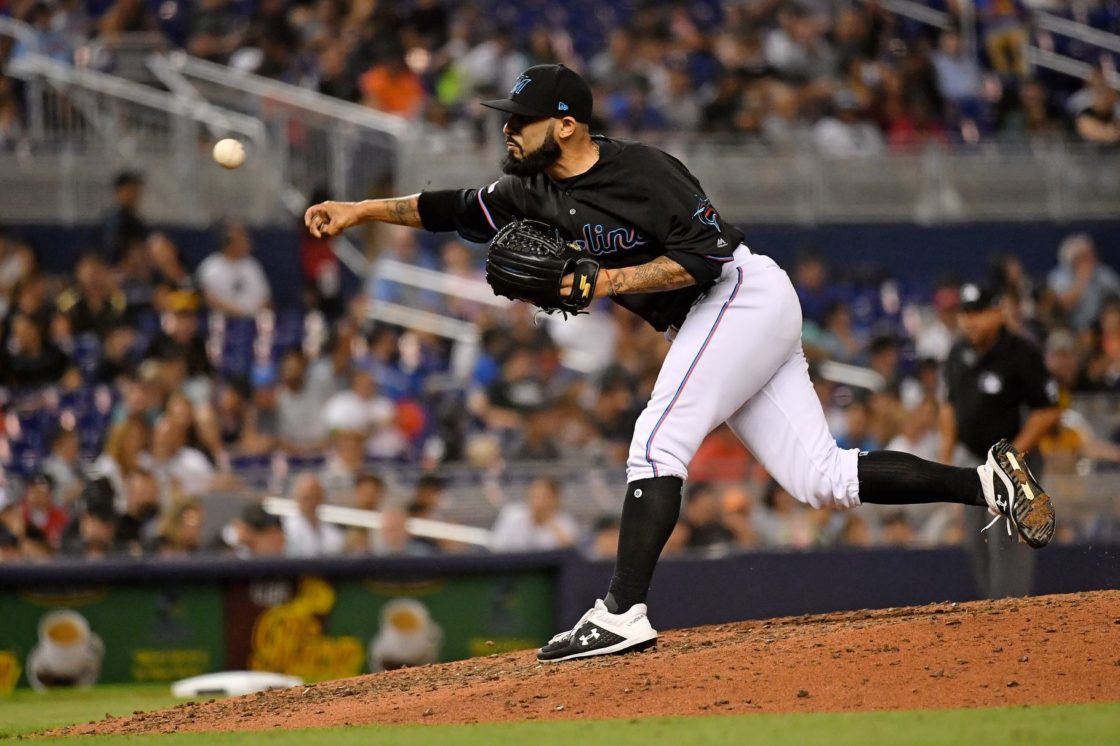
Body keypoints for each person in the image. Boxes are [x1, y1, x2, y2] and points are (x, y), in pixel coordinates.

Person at [304, 63, 1057, 663]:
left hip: (740, 295)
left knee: (657, 439)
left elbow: (709, 256)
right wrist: (361, 212)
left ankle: (622, 611)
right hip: (723, 319)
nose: (507, 129)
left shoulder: (644, 171)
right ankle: (989, 482)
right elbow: (449, 207)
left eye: (519, 118)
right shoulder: (527, 189)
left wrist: (607, 282)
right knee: (820, 479)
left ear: (566, 124)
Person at [940, 282, 1061, 599]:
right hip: (972, 460)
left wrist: (1009, 457)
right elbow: (950, 407)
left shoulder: (1021, 353)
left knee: (1006, 544)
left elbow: (1047, 410)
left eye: (978, 312)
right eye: (965, 313)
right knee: (975, 542)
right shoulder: (957, 352)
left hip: (1016, 464)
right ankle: (992, 626)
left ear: (998, 312)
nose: (970, 320)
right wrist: (943, 462)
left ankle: (1012, 624)